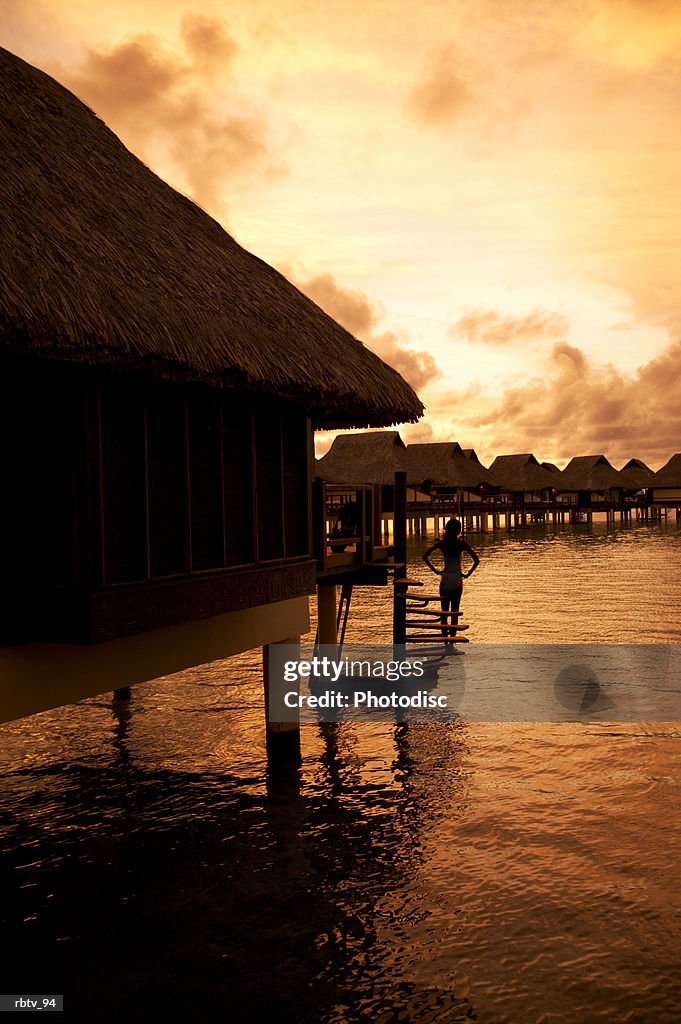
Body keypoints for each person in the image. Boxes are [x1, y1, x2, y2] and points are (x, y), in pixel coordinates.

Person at [422, 518, 479, 643]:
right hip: (457, 580)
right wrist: (467, 574)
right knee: (454, 611)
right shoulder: (462, 544)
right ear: (459, 530)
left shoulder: (442, 543)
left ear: (447, 530)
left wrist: (436, 571)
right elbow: (476, 560)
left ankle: (445, 640)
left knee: (444, 612)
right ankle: (452, 641)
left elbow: (425, 557)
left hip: (445, 579)